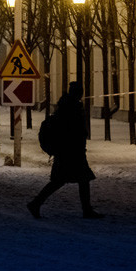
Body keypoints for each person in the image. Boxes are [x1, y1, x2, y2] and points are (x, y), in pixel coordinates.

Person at [27, 80, 103, 219]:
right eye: (79, 90)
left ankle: (36, 203)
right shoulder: (71, 107)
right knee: (68, 180)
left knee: (74, 180)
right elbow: (71, 129)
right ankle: (36, 203)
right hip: (70, 151)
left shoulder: (67, 105)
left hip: (69, 150)